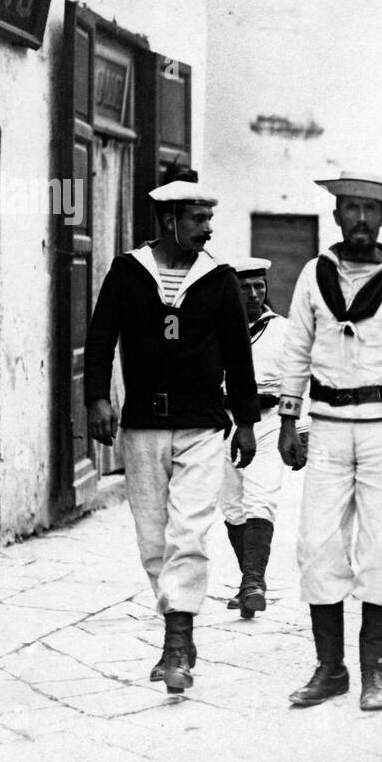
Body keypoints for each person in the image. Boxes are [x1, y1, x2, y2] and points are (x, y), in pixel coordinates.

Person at [277, 172, 382, 711]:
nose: (358, 218)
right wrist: (288, 417)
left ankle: (375, 669)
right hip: (328, 427)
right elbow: (297, 347)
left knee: (381, 545)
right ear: (336, 215)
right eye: (349, 208)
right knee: (318, 544)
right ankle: (330, 668)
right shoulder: (314, 274)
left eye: (368, 210)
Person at [85, 175, 259, 694]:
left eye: (209, 219)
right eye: (198, 220)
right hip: (142, 425)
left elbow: (238, 354)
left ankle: (177, 643)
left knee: (189, 531)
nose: (208, 229)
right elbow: (100, 336)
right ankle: (174, 627)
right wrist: (97, 397)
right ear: (169, 221)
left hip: (203, 423)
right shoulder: (126, 271)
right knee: (152, 536)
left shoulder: (220, 278)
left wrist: (246, 421)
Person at [217, 257, 308, 617]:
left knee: (260, 499)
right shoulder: (216, 329)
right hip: (223, 422)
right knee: (232, 506)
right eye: (244, 288)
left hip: (269, 421)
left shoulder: (283, 331)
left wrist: (299, 430)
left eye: (259, 287)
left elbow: (300, 379)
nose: (253, 295)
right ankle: (248, 582)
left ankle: (253, 582)